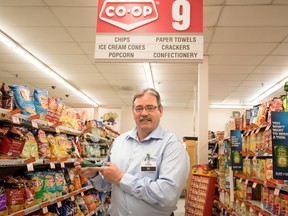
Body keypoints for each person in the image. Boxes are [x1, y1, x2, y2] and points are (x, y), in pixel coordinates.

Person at [74, 88, 190, 216]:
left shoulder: (172, 145)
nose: (144, 113)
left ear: (160, 110)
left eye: (150, 108)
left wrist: (121, 178)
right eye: (139, 108)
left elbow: (167, 195)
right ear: (133, 112)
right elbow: (107, 186)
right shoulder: (118, 142)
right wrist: (95, 175)